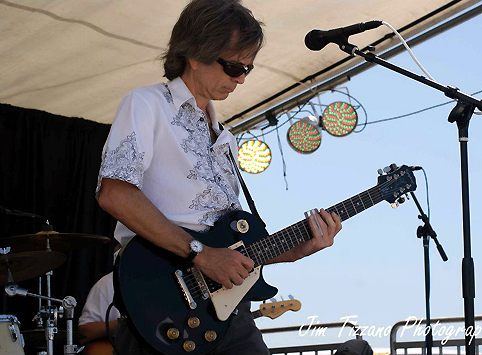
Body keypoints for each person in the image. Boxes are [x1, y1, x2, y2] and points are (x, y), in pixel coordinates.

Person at [96, 0, 342, 354]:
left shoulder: (224, 137)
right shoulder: (147, 105)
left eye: (248, 69)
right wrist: (201, 254)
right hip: (163, 305)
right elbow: (115, 195)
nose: (241, 78)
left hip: (229, 313)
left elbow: (232, 249)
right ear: (196, 53)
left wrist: (297, 250)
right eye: (232, 66)